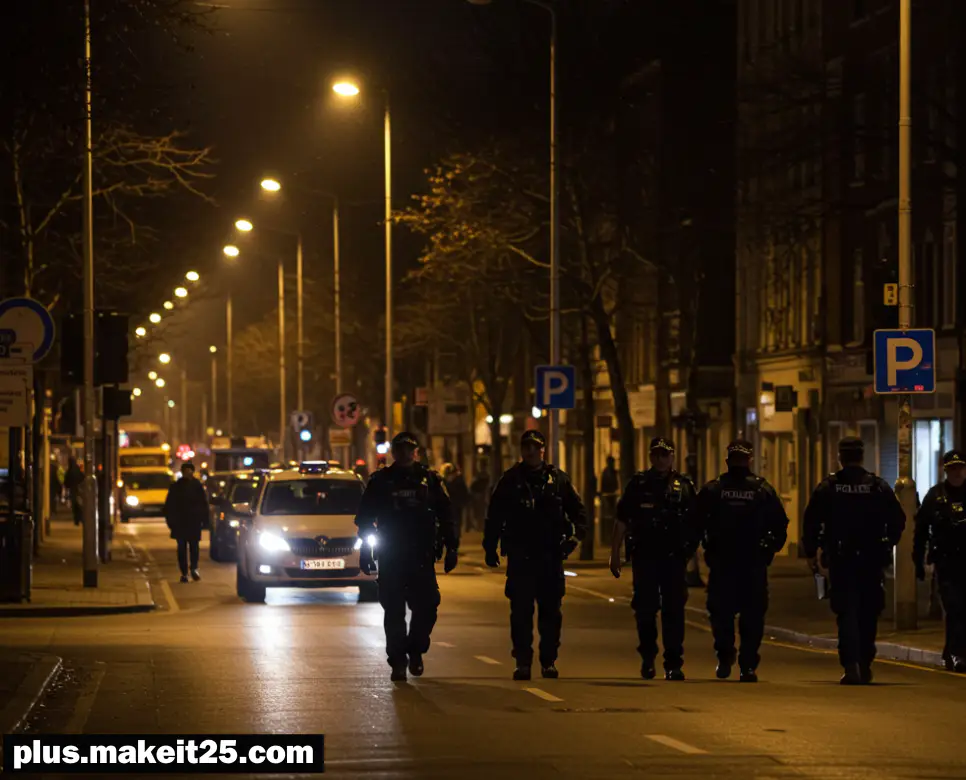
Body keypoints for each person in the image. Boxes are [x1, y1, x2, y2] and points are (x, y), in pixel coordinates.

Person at [483, 430, 588, 680]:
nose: (530, 451)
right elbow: (495, 516)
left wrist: (573, 541)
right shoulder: (510, 480)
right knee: (520, 613)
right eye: (526, 447)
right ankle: (523, 662)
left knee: (551, 613)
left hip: (550, 556)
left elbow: (579, 514)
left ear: (543, 450)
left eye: (534, 447)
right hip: (521, 557)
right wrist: (490, 547)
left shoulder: (558, 480)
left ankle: (548, 660)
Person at [355, 432, 458, 682]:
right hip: (391, 555)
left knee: (428, 606)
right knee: (394, 611)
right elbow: (365, 519)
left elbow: (447, 515)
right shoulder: (381, 481)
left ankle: (416, 649)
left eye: (409, 449)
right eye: (399, 449)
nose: (404, 454)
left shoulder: (430, 480)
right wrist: (365, 550)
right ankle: (398, 662)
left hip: (421, 555)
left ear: (416, 452)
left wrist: (452, 547)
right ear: (394, 453)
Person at [803, 437, 905, 684]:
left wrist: (812, 552)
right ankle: (865, 662)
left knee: (846, 612)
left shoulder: (829, 487)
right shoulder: (877, 487)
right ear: (861, 456)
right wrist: (886, 544)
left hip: (842, 559)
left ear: (840, 457)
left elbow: (811, 521)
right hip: (871, 559)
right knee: (868, 612)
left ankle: (851, 664)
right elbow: (898, 520)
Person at [691, 439, 788, 682]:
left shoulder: (715, 490)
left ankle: (737, 660)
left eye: (740, 459)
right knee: (741, 616)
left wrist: (767, 550)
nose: (738, 463)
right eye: (738, 459)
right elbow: (780, 526)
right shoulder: (761, 490)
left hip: (734, 563)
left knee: (729, 615)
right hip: (741, 564)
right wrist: (768, 550)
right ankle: (741, 662)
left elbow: (694, 523)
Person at [609, 437, 697, 680]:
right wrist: (615, 554)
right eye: (656, 455)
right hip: (645, 557)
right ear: (650, 457)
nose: (660, 459)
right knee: (645, 610)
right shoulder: (638, 485)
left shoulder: (684, 486)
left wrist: (690, 553)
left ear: (672, 457)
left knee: (674, 611)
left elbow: (695, 523)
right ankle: (648, 657)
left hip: (673, 559)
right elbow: (622, 519)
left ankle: (673, 663)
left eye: (664, 455)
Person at [914, 449, 966, 673]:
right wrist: (917, 561)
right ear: (946, 471)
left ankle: (952, 651)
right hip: (946, 562)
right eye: (952, 469)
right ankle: (957, 653)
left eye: (960, 468)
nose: (957, 473)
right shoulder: (935, 496)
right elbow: (921, 531)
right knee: (954, 607)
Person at [163, 462, 209, 583]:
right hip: (180, 522)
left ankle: (194, 568)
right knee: (182, 548)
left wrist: (204, 520)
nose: (188, 473)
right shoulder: (176, 486)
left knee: (194, 547)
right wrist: (170, 521)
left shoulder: (197, 486)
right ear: (183, 472)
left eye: (190, 471)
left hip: (194, 522)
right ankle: (184, 572)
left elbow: (204, 504)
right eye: (186, 471)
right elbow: (169, 505)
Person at [441, 464, 471, 536]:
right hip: (447, 507)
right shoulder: (443, 482)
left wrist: (464, 503)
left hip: (456, 506)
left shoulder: (459, 482)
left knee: (456, 522)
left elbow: (465, 494)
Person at [599, 456, 620, 546]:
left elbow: (617, 485)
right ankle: (606, 539)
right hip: (607, 497)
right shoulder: (605, 473)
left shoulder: (614, 472)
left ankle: (611, 538)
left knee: (612, 518)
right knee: (607, 518)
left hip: (612, 497)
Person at [64, 456, 84, 526]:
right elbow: (82, 478)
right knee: (79, 505)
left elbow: (66, 481)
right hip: (78, 490)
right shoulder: (78, 470)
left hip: (73, 490)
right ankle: (80, 518)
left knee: (74, 505)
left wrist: (67, 486)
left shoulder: (69, 471)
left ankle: (76, 520)